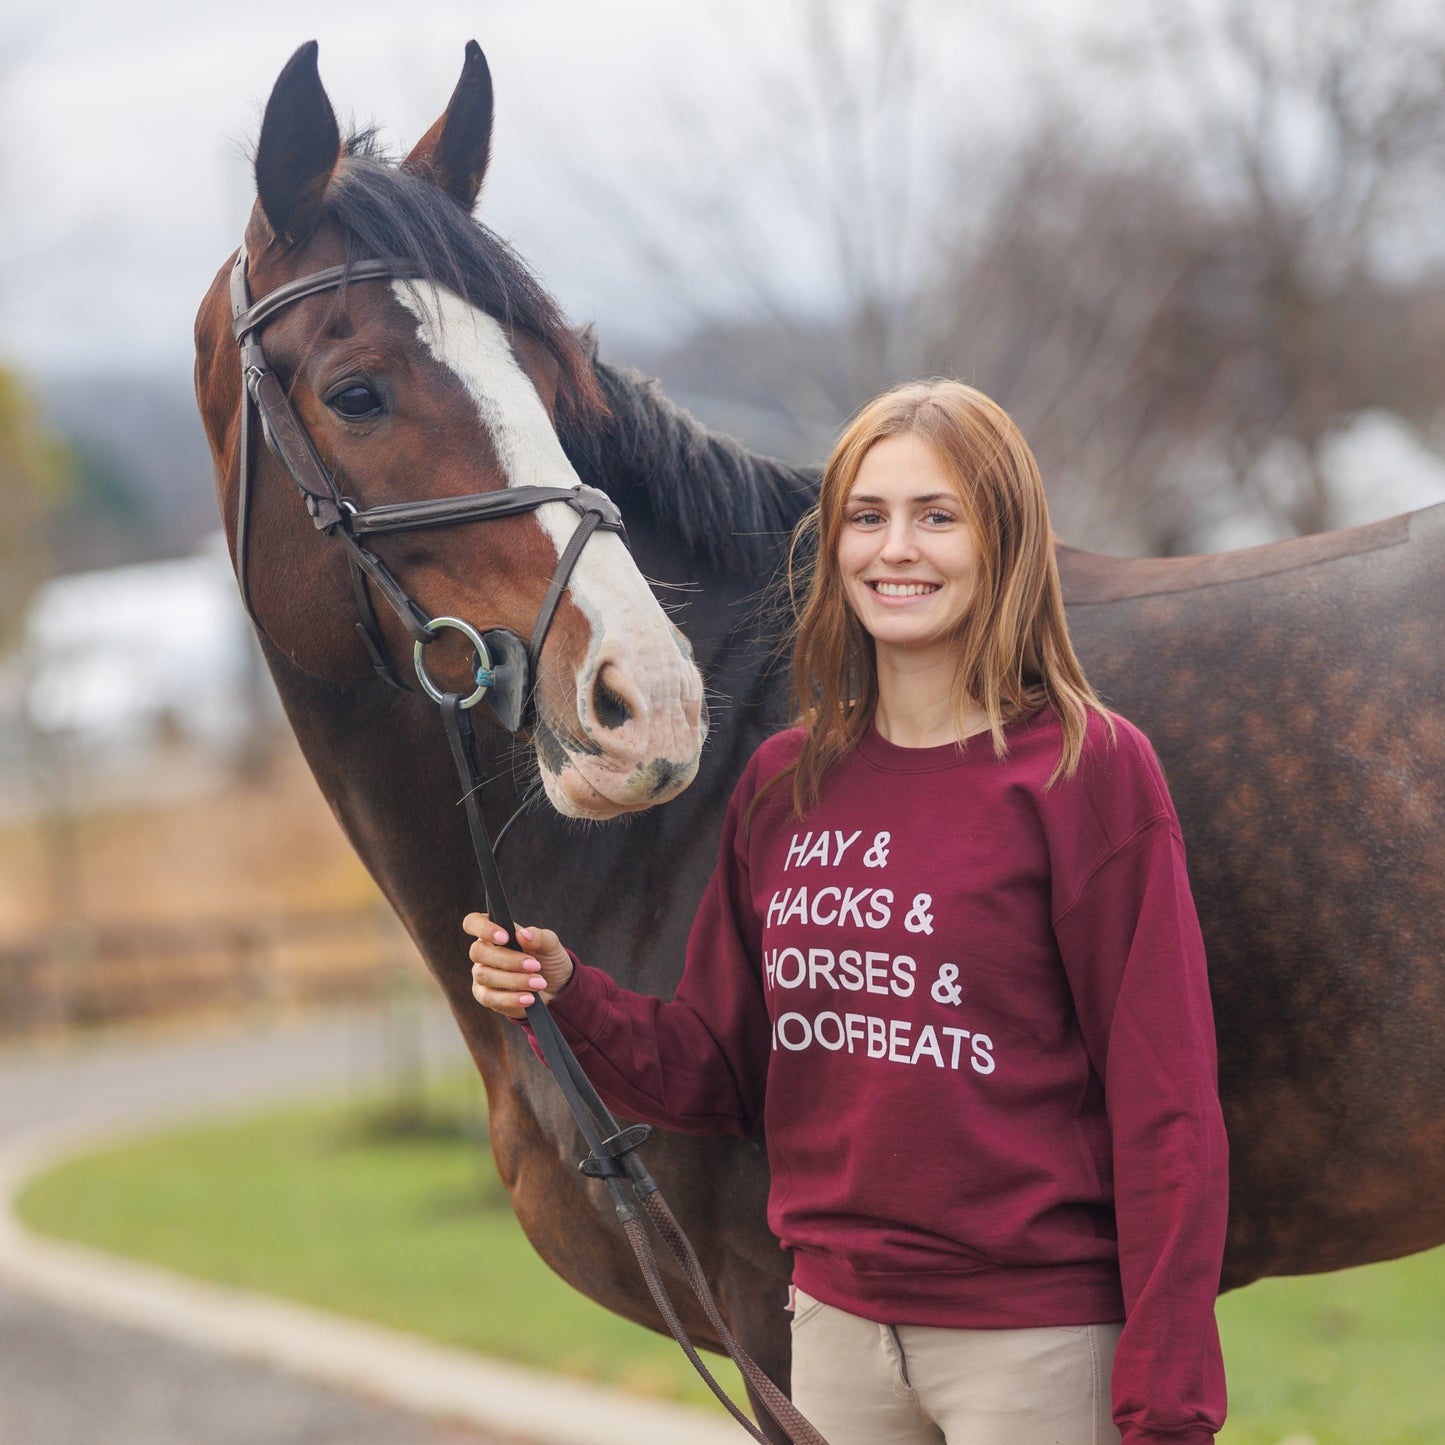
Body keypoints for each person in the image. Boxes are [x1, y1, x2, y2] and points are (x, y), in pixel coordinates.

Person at [466, 380, 1228, 1445]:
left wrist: (1166, 1394)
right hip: (834, 1337)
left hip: (1033, 1343)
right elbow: (719, 1068)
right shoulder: (786, 781)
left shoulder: (1084, 770)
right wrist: (564, 992)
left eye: (936, 515)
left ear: (1001, 539)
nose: (894, 548)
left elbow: (1168, 1105)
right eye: (866, 517)